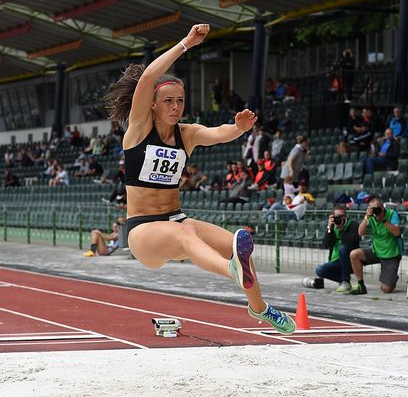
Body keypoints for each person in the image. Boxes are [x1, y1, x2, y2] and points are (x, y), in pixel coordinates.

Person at [104, 23, 295, 335]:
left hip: (176, 219)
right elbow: (150, 76)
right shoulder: (138, 129)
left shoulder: (187, 134)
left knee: (235, 243)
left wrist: (238, 129)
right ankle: (231, 271)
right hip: (143, 231)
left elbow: (219, 133)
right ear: (152, 104)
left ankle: (260, 308)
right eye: (168, 101)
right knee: (186, 236)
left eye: (180, 101)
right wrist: (186, 44)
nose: (176, 107)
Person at [349, 198, 402, 295]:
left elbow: (397, 232)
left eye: (377, 209)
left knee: (386, 289)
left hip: (391, 254)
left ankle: (391, 278)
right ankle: (361, 286)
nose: (376, 212)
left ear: (382, 208)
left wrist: (383, 220)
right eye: (373, 209)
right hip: (376, 251)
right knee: (354, 254)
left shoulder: (392, 214)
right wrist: (366, 217)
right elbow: (360, 233)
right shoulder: (371, 217)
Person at [314, 206, 360, 292]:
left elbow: (350, 243)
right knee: (319, 270)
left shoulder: (353, 225)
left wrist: (341, 228)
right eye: (337, 216)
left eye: (342, 216)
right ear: (333, 216)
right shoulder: (332, 226)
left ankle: (345, 281)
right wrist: (329, 228)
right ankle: (343, 280)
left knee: (342, 248)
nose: (340, 218)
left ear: (345, 216)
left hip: (350, 260)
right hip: (335, 260)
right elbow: (325, 244)